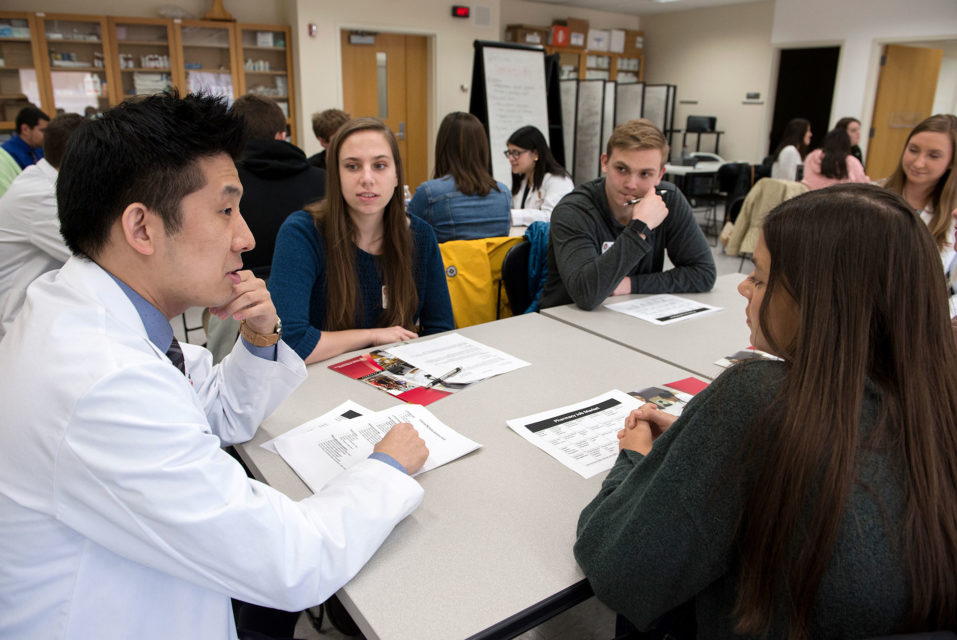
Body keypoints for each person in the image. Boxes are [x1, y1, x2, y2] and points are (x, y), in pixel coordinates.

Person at [0, 92, 429, 640]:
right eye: (226, 210)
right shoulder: (103, 381)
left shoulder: (102, 315)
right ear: (142, 228)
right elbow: (290, 561)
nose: (246, 238)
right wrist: (386, 469)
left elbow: (223, 414)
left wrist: (258, 335)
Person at [575, 183, 957, 638]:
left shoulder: (757, 397)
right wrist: (705, 440)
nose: (741, 286)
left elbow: (620, 569)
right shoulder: (933, 402)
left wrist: (635, 459)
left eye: (758, 276)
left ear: (819, 302)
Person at [269, 116, 453, 364]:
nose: (367, 178)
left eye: (379, 166)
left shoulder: (420, 236)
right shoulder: (302, 233)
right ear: (336, 175)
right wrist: (372, 336)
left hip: (395, 381)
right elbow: (289, 343)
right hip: (317, 385)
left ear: (397, 175)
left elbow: (440, 331)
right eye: (353, 166)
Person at [538, 118, 716, 311]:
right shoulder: (573, 210)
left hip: (630, 317)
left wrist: (632, 284)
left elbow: (703, 273)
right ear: (605, 162)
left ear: (660, 175)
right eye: (622, 169)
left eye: (645, 174)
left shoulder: (668, 200)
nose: (631, 184)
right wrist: (640, 226)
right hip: (565, 322)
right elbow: (586, 294)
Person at [0, 113, 86, 339]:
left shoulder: (40, 177)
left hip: (40, 306)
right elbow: (90, 251)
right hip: (16, 317)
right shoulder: (41, 197)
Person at [229, 94, 326, 279]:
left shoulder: (221, 188)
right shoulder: (325, 182)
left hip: (240, 295)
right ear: (282, 136)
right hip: (313, 292)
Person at [407, 111, 511, 242]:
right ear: (482, 148)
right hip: (492, 263)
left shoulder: (429, 193)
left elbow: (404, 237)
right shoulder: (504, 193)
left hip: (448, 263)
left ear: (443, 147)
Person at [876, 113, 957, 272]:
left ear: (951, 162)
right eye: (913, 150)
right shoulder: (871, 194)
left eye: (934, 156)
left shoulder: (953, 214)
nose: (919, 163)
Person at [506, 125, 574, 226]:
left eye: (516, 153)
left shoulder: (558, 180)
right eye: (509, 153)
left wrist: (513, 215)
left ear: (535, 154)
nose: (511, 158)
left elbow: (552, 216)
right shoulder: (523, 181)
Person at [800, 127, 869, 190]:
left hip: (810, 198)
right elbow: (863, 185)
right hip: (840, 201)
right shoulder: (851, 161)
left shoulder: (812, 156)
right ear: (846, 144)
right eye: (853, 130)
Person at [1, 105, 49, 169]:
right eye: (43, 130)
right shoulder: (7, 155)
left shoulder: (38, 149)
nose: (47, 135)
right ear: (25, 129)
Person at [770, 117, 812, 181]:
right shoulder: (790, 151)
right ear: (800, 132)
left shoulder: (795, 152)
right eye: (808, 131)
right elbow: (787, 179)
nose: (810, 134)